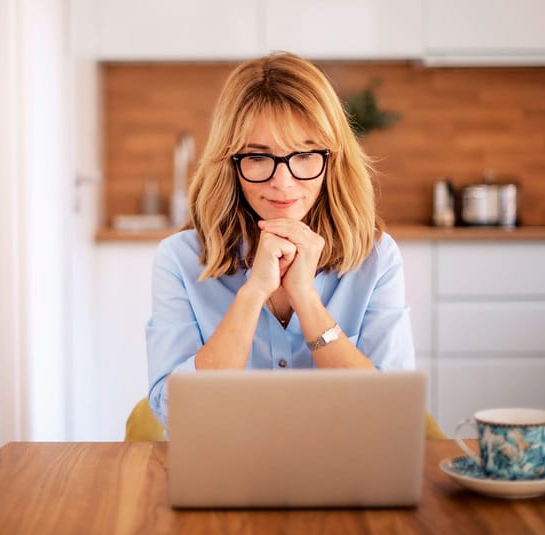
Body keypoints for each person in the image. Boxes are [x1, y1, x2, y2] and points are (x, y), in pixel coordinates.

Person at [146, 52, 414, 429]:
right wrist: (253, 293)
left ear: (332, 159)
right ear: (230, 162)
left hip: (342, 473)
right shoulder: (179, 259)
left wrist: (306, 299)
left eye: (304, 154)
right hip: (224, 472)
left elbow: (390, 413)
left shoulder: (376, 258)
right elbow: (175, 412)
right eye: (258, 156)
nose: (283, 182)